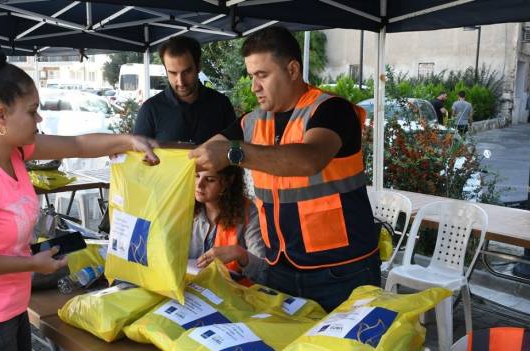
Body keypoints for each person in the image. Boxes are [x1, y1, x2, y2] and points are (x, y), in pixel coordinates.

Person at [0, 41, 159, 351]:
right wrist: (31, 264)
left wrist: (128, 141)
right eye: (32, 111)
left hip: (12, 311)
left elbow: (79, 145)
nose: (39, 119)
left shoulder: (16, 152)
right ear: (0, 116)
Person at [189, 27, 380, 312]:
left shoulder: (330, 110)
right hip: (280, 268)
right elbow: (199, 154)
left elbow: (309, 159)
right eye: (251, 76)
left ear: (292, 70)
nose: (254, 86)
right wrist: (143, 151)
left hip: (341, 272)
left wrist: (233, 153)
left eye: (262, 75)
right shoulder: (252, 122)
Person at [133, 35, 236, 144]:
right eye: (173, 73)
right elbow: (140, 157)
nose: (180, 82)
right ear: (166, 70)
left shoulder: (221, 104)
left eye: (187, 72)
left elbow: (235, 148)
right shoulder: (150, 110)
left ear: (199, 66)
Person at [190, 166, 267, 285]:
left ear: (228, 181)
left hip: (233, 293)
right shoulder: (184, 207)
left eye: (210, 180)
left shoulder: (248, 212)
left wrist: (240, 254)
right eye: (196, 176)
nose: (199, 185)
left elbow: (263, 273)